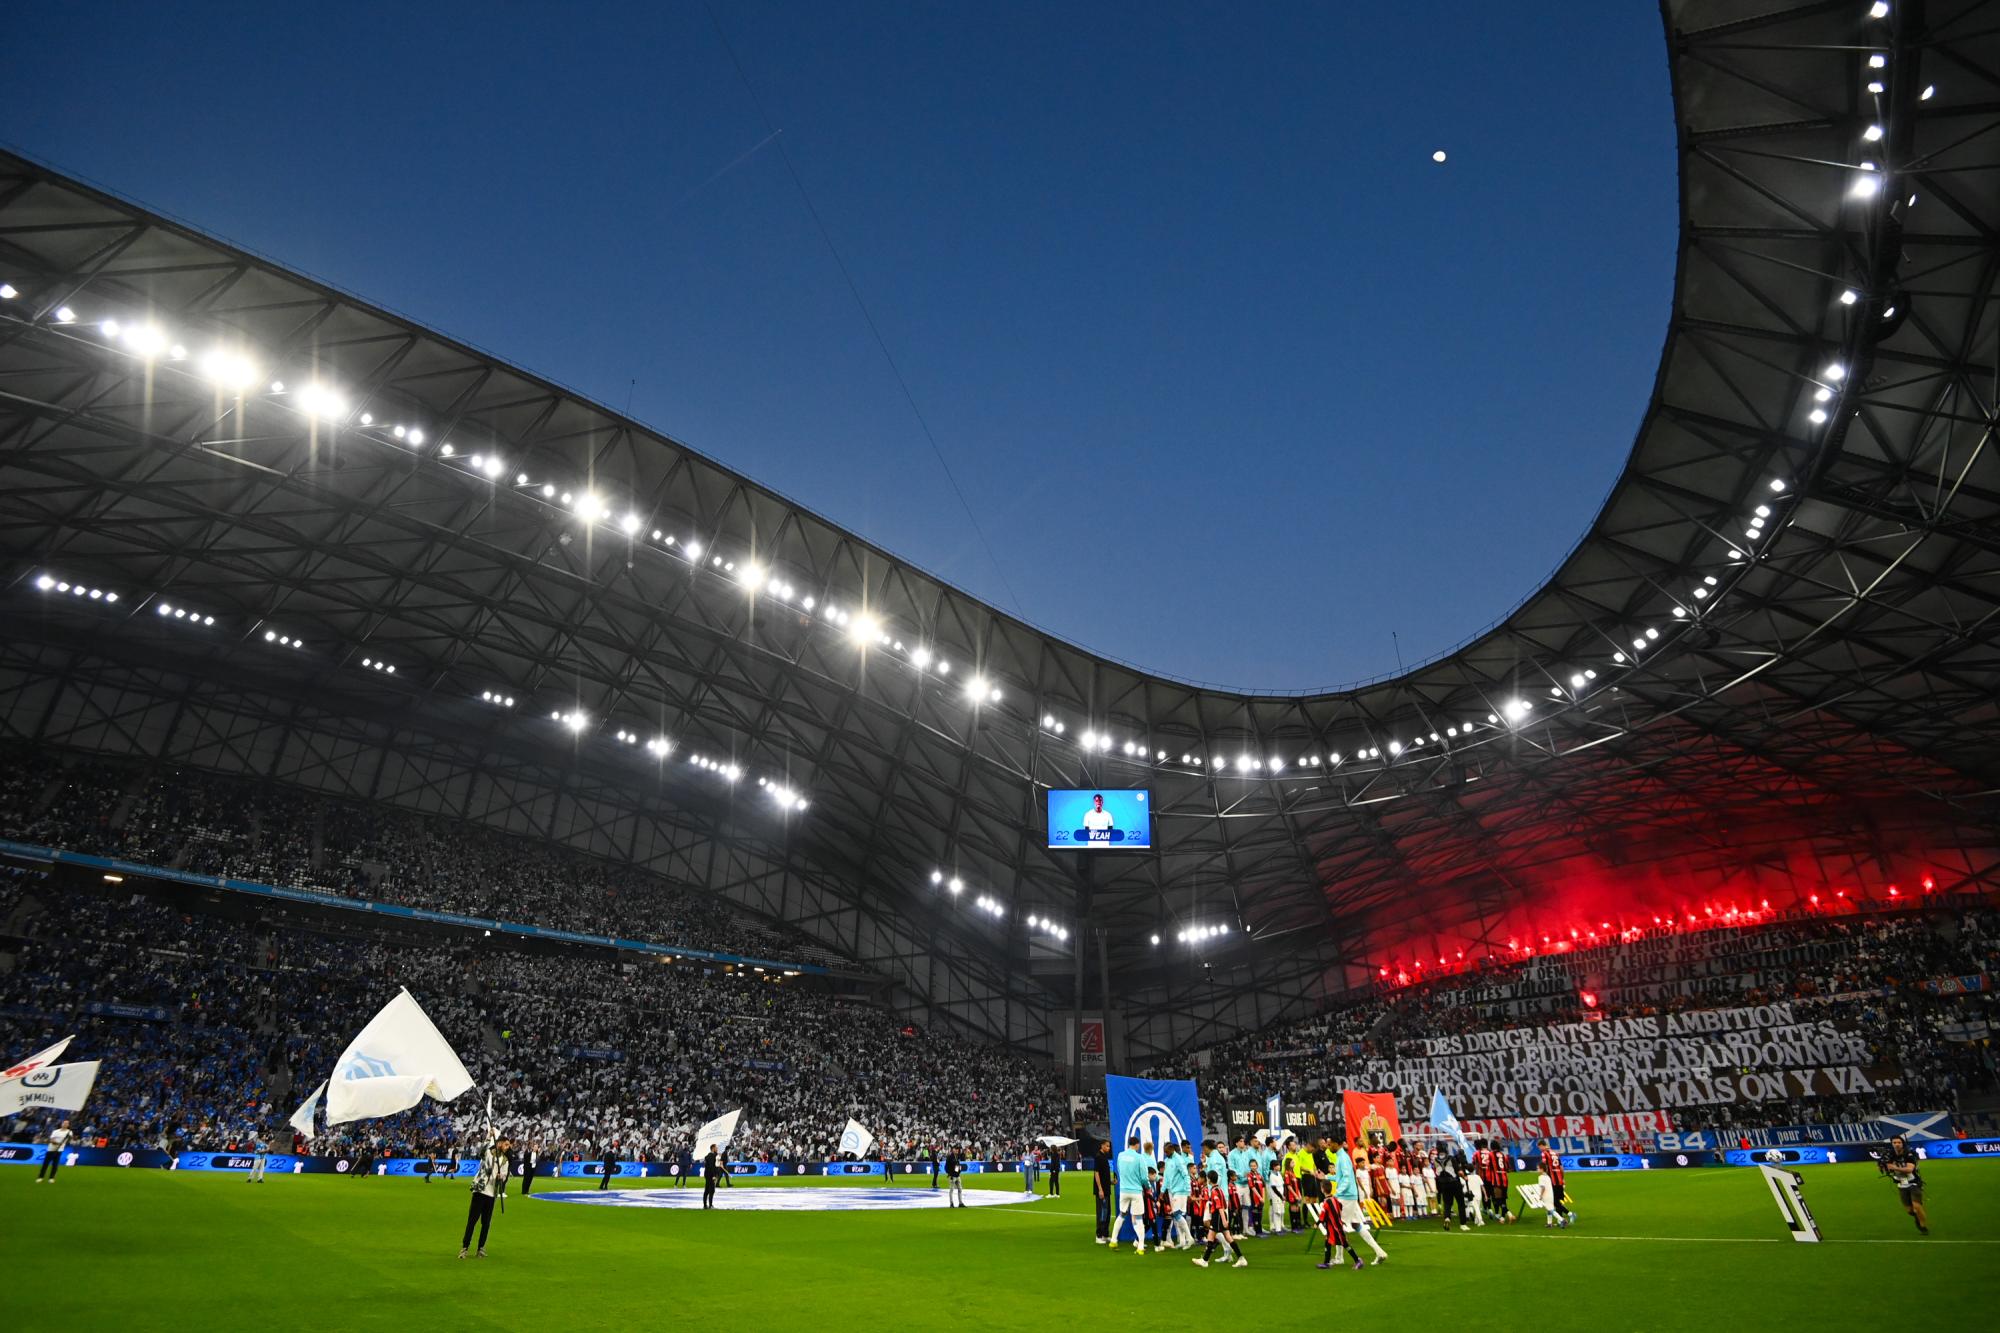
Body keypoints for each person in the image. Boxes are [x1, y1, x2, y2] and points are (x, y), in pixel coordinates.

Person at [1333, 1144, 1389, 1265]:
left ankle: (1339, 1258)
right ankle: (1380, 1252)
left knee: (1338, 1226)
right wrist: (1327, 1176)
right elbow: (1342, 1177)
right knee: (1357, 1225)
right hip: (1353, 1197)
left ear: (1335, 1144)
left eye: (1329, 1143)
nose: (1328, 1146)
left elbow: (1346, 1178)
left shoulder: (1342, 1158)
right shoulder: (1345, 1158)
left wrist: (1337, 1194)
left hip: (1346, 1197)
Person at [459, 1135, 509, 1259]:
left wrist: (500, 1177)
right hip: (480, 1191)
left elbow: (504, 1175)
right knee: (472, 1221)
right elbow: (481, 1151)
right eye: (506, 1144)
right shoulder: (488, 1153)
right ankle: (465, 1248)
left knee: (486, 1223)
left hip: (492, 1193)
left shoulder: (504, 1160)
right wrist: (488, 1137)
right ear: (499, 1143)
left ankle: (480, 1248)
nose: (507, 1147)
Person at [1191, 1169, 1247, 1269]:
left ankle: (1205, 1260)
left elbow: (1220, 1206)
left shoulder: (1214, 1191)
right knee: (1228, 1237)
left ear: (1208, 1180)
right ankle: (1241, 1258)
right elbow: (1224, 1205)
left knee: (1211, 1237)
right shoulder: (1219, 1189)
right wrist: (1225, 1218)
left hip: (1218, 1217)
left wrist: (1224, 1220)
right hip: (1221, 1216)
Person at [1314, 1169, 1363, 1271]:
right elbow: (1340, 1207)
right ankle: (1326, 1263)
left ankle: (1357, 1260)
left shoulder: (1326, 1202)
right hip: (1335, 1226)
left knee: (1344, 1243)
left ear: (1322, 1189)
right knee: (1327, 1242)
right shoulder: (1335, 1199)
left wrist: (1317, 1223)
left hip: (1336, 1228)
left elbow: (1322, 1215)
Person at [1882, 1135, 1929, 1235]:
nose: (1897, 1144)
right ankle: (1917, 1217)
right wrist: (1883, 1166)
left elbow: (1909, 1169)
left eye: (1899, 1142)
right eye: (1894, 1143)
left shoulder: (1909, 1153)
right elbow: (1885, 1166)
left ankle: (1923, 1227)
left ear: (1903, 1143)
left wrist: (1894, 1167)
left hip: (1913, 1183)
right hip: (1901, 1184)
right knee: (1910, 1210)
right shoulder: (1889, 1154)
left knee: (1917, 1206)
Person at [1109, 1135, 1150, 1251]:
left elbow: (1118, 1170)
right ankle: (1140, 1246)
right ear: (1137, 1145)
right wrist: (1148, 1186)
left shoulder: (1120, 1156)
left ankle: (1113, 1240)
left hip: (1123, 1190)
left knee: (1121, 1215)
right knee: (1138, 1218)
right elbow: (1144, 1177)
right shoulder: (1139, 1158)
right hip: (1136, 1191)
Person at [1163, 1141, 1194, 1249]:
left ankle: (1189, 1238)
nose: (1165, 1153)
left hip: (1180, 1191)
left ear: (1171, 1150)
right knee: (1178, 1216)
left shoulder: (1179, 1160)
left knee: (1177, 1214)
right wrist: (1163, 1191)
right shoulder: (1167, 1160)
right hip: (1172, 1191)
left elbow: (1186, 1175)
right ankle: (1182, 1240)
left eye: (1166, 1151)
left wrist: (1188, 1191)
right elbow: (1166, 1177)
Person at [1537, 1141, 1572, 1228]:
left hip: (1551, 1181)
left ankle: (1568, 1216)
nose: (1539, 1149)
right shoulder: (1555, 1153)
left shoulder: (1544, 1153)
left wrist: (1544, 1176)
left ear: (1542, 1146)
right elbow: (1561, 1167)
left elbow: (1545, 1166)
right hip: (1559, 1179)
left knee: (1553, 1202)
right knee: (1557, 1201)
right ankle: (1557, 1221)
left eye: (1539, 1147)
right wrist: (1562, 1178)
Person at [36, 1118, 73, 1183]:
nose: (65, 1124)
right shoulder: (55, 1131)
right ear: (62, 1124)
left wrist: (66, 1140)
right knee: (45, 1164)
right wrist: (56, 1143)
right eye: (64, 1123)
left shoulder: (69, 1132)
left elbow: (69, 1140)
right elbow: (51, 1139)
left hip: (59, 1150)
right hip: (51, 1149)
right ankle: (40, 1177)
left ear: (68, 1125)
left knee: (55, 1164)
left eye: (66, 1123)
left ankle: (51, 1178)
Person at [1092, 1139, 1113, 1242]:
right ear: (1102, 1146)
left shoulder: (1104, 1157)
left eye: (1109, 1146)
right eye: (1107, 1146)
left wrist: (1111, 1182)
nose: (1108, 1148)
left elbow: (1104, 1175)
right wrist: (1100, 1189)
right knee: (1102, 1212)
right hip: (1102, 1190)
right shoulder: (1098, 1157)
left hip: (1106, 1189)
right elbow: (1096, 1173)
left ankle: (1105, 1234)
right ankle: (1098, 1235)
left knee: (1107, 1212)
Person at [701, 1143, 723, 1209]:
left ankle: (705, 1205)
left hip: (708, 1174)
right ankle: (710, 1205)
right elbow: (711, 1166)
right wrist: (714, 1175)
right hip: (710, 1175)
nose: (717, 1149)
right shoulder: (711, 1156)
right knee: (711, 1190)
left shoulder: (711, 1155)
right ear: (713, 1148)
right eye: (716, 1148)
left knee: (707, 1190)